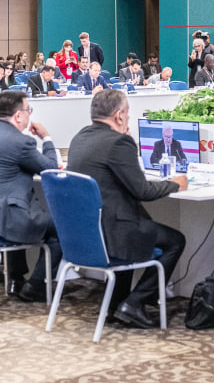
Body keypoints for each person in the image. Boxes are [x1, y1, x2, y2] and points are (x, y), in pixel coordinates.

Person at [67, 89, 186, 328]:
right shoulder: (119, 142)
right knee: (175, 240)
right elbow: (143, 191)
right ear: (119, 116)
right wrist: (175, 184)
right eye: (128, 113)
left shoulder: (79, 137)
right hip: (115, 234)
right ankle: (135, 302)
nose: (128, 118)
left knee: (137, 226)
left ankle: (117, 303)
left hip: (87, 233)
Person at [0, 90, 62, 301]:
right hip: (8, 219)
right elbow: (50, 169)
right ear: (19, 115)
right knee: (63, 227)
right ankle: (36, 285)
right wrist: (46, 138)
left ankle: (15, 279)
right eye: (29, 110)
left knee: (17, 204)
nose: (30, 114)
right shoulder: (21, 141)